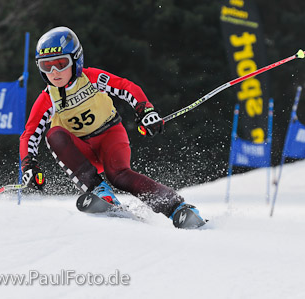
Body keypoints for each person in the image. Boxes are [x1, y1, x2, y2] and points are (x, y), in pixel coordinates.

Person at [19, 26, 206, 229]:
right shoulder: (47, 99)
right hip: (83, 153)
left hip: (109, 136)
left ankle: (177, 208)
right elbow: (29, 135)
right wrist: (28, 166)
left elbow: (126, 87)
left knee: (119, 175)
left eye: (61, 63)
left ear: (76, 60)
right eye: (47, 66)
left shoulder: (91, 79)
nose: (54, 72)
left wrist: (145, 111)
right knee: (53, 134)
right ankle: (99, 190)